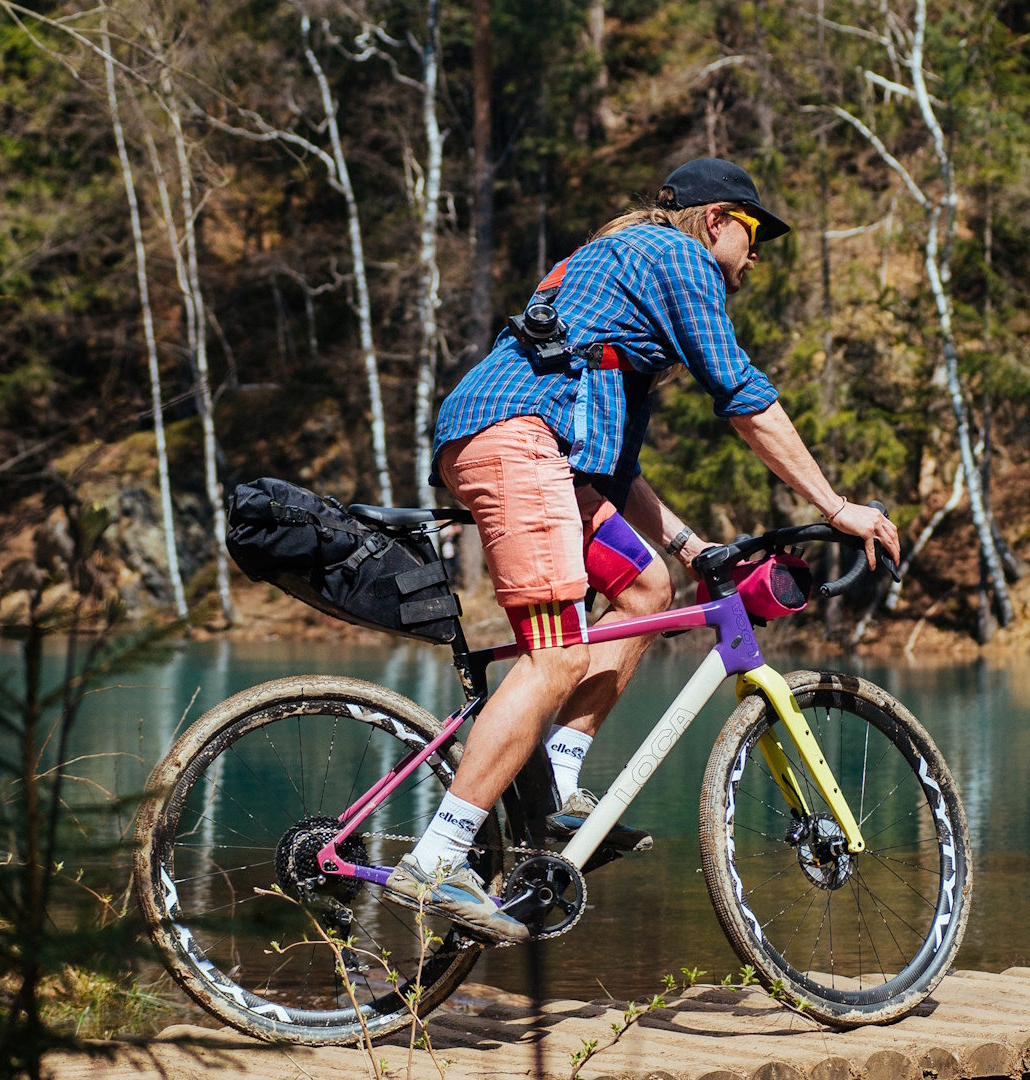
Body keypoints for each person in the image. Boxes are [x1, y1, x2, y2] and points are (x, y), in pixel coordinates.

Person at [385, 158, 900, 940]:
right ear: (716, 220)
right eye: (755, 233)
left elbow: (610, 472)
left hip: (535, 450)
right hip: (515, 441)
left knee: (646, 590)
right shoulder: (678, 257)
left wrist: (692, 544)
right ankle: (436, 859)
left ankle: (556, 778)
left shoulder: (620, 295)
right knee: (554, 656)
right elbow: (743, 395)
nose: (757, 255)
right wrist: (836, 507)